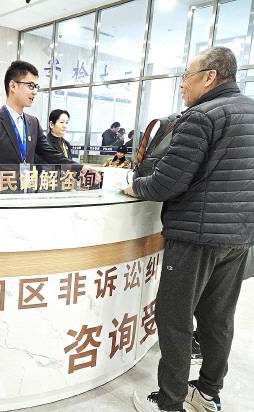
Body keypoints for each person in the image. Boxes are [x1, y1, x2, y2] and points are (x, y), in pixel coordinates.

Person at [125, 47, 254, 412]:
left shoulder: (201, 116)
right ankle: (208, 393)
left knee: (175, 319)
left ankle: (169, 403)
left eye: (186, 76)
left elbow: (167, 183)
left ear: (209, 77)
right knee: (218, 318)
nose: (182, 84)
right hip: (239, 237)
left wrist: (135, 187)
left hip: (195, 238)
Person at [0, 60, 97, 178]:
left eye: (36, 86)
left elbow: (50, 154)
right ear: (13, 86)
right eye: (30, 85)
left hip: (26, 190)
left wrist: (80, 168)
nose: (34, 91)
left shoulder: (33, 123)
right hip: (0, 193)